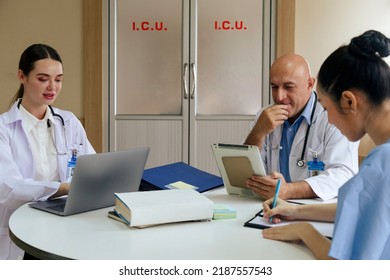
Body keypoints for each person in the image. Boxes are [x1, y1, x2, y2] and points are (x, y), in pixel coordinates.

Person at [262, 30, 390, 260]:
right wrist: (295, 210)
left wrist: (304, 231)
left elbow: (343, 267)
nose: (328, 119)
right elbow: (361, 209)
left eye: (325, 107)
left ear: (349, 101)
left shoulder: (382, 165)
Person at [0, 44, 95, 260]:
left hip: (64, 225)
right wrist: (62, 188)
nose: (52, 87)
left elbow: (92, 168)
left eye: (58, 79)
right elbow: (8, 188)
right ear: (22, 76)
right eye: (43, 79)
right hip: (19, 232)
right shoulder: (3, 129)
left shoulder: (68, 122)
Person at [244, 54, 359, 201]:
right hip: (270, 208)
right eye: (274, 87)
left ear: (310, 84)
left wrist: (289, 191)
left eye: (288, 87)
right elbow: (246, 174)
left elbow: (343, 174)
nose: (279, 96)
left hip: (316, 209)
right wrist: (258, 133)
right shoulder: (264, 116)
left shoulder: (332, 114)